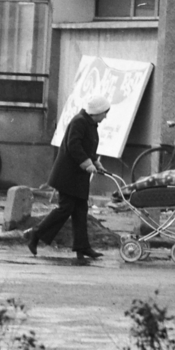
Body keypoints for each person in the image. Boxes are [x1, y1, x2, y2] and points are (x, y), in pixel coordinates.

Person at [27, 93, 110, 263]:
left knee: (80, 210)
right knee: (66, 208)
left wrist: (95, 162)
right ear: (96, 112)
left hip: (77, 175)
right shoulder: (80, 121)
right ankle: (35, 233)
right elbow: (74, 145)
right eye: (104, 113)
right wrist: (88, 163)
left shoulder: (90, 123)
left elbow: (87, 147)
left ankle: (82, 247)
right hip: (68, 175)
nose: (105, 116)